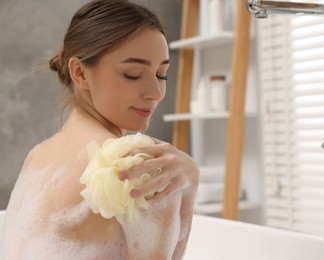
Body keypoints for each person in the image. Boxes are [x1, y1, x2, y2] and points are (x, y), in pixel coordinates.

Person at [0, 0, 199, 259]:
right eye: (133, 74)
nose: (155, 92)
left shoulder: (38, 156)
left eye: (162, 74)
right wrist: (191, 178)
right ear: (80, 73)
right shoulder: (133, 164)